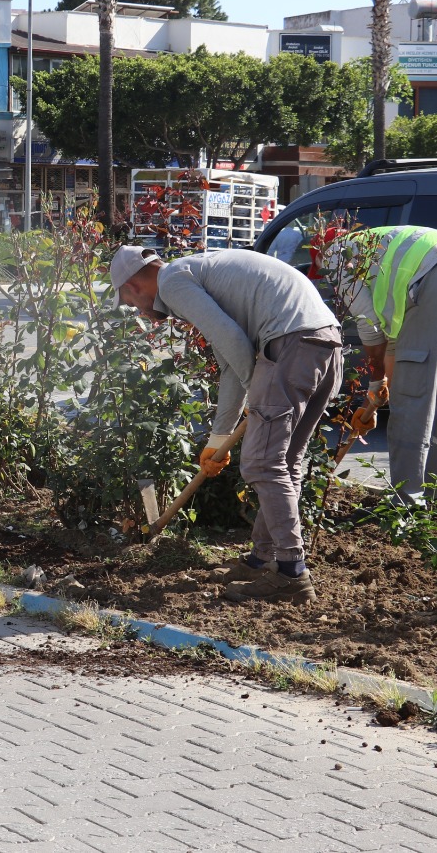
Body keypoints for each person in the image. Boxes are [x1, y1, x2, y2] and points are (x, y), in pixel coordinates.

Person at [111, 244, 343, 604]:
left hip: (291, 344)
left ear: (133, 285)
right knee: (284, 464)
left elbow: (236, 346)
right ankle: (260, 560)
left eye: (128, 301)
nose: (135, 309)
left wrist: (260, 396)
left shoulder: (173, 280)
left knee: (262, 464)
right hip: (324, 344)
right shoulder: (200, 273)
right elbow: (231, 363)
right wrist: (217, 439)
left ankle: (291, 574)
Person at [319, 225, 437, 504]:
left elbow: (368, 324)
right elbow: (394, 340)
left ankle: (406, 502)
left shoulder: (336, 254)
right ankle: (433, 495)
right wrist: (381, 388)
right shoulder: (385, 243)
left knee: (412, 398)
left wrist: (375, 382)